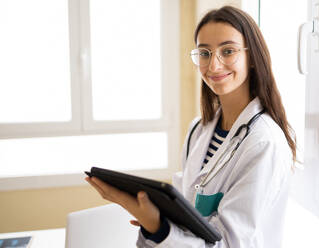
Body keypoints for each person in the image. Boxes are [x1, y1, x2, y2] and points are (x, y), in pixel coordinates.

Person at [86, 5, 297, 247]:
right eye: (204, 53)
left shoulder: (264, 143)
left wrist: (159, 228)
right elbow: (186, 214)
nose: (214, 66)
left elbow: (231, 243)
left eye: (228, 51)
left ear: (252, 58)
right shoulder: (199, 130)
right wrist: (152, 219)